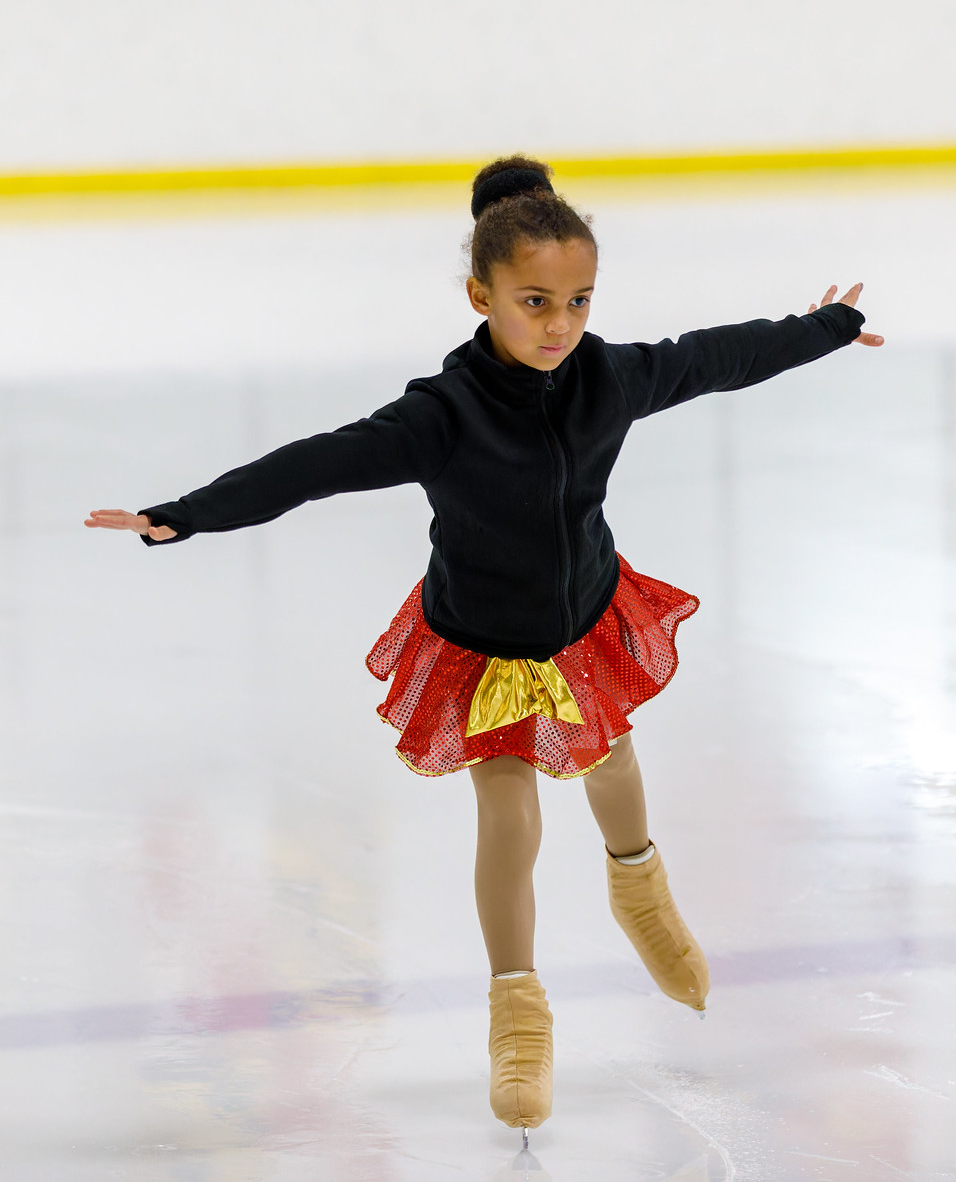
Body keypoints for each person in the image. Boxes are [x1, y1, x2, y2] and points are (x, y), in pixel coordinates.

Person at [86, 155, 883, 1135]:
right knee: (506, 813)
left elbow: (714, 357)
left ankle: (640, 893)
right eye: (534, 300)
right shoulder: (442, 416)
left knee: (612, 758)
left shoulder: (609, 376)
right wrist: (187, 514)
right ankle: (518, 1014)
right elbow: (314, 464)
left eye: (578, 301)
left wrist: (825, 328)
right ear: (481, 293)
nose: (558, 324)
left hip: (585, 614)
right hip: (480, 642)